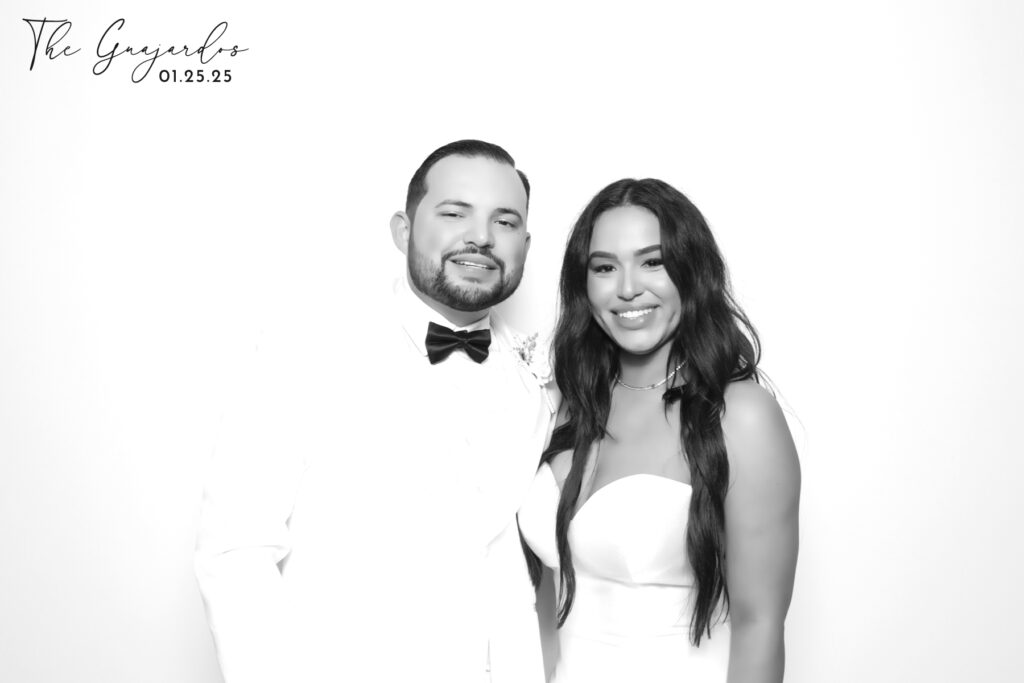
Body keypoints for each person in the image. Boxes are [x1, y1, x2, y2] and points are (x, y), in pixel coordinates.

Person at [195, 140, 557, 683]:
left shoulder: (537, 381)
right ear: (403, 231)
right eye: (454, 213)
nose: (481, 236)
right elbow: (235, 550)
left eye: (504, 221)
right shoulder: (307, 347)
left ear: (524, 245)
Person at [518, 178, 800, 682]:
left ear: (692, 271)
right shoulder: (565, 402)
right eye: (605, 267)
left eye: (653, 262)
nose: (628, 287)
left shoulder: (740, 415)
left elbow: (760, 624)